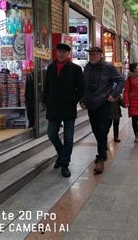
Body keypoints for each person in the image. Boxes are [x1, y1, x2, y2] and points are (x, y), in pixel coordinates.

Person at [43, 43, 85, 178]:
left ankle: (65, 164)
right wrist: (46, 101)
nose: (61, 54)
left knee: (68, 138)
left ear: (68, 54)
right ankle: (61, 154)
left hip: (68, 108)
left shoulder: (75, 69)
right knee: (51, 134)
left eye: (64, 52)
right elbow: (46, 86)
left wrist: (73, 99)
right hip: (53, 108)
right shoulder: (51, 68)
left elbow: (82, 88)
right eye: (59, 51)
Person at [81, 47, 125, 174]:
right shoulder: (87, 68)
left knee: (102, 129)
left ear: (101, 55)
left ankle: (101, 157)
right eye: (90, 55)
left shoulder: (108, 67)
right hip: (90, 104)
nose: (92, 57)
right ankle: (102, 152)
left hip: (104, 103)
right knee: (95, 130)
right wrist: (82, 99)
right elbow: (85, 86)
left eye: (94, 54)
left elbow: (121, 80)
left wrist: (114, 94)